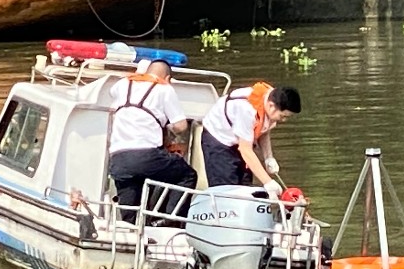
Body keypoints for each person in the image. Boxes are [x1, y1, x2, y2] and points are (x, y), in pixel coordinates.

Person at [107, 60, 196, 223]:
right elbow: (182, 126)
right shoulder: (164, 89)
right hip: (146, 155)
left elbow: (113, 98)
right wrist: (170, 129)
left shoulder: (123, 84)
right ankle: (171, 221)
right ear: (167, 78)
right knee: (187, 175)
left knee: (129, 215)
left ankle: (129, 235)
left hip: (118, 159)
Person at [200, 82, 301, 196]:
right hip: (219, 139)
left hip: (242, 138)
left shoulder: (272, 97)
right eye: (283, 116)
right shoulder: (247, 110)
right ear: (272, 106)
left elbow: (263, 129)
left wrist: (268, 158)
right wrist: (268, 182)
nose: (283, 121)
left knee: (245, 186)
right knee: (227, 190)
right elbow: (245, 150)